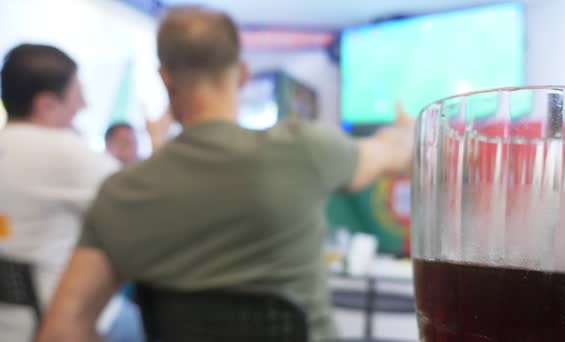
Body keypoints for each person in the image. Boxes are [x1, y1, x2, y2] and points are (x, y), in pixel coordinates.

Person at [37, 8, 414, 342]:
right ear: (243, 74)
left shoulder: (119, 192)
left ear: (165, 78)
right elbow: (391, 154)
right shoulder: (303, 150)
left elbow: (60, 332)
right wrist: (405, 132)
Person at [0, 44, 143, 342]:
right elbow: (143, 209)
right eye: (77, 94)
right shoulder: (63, 153)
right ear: (47, 104)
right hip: (57, 324)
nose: (84, 105)